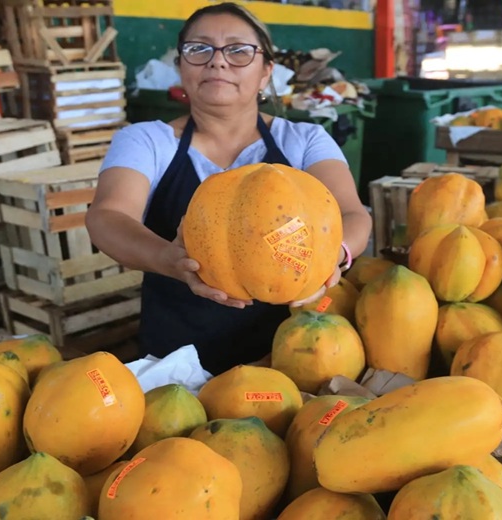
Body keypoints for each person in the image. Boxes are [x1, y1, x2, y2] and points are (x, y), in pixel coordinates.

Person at [85, 2, 372, 375]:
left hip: (293, 356)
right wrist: (168, 259)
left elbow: (352, 214)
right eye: (199, 49)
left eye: (238, 50)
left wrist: (335, 254)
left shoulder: (305, 140)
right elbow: (107, 217)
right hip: (176, 362)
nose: (217, 61)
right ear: (181, 67)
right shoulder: (146, 140)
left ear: (266, 71)